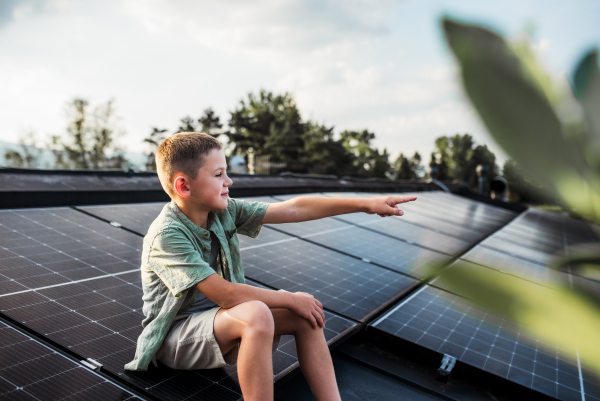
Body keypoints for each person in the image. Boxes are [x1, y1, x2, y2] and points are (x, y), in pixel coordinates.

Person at [124, 132, 416, 401]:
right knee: (257, 312)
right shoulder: (167, 234)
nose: (229, 181)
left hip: (218, 323)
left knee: (305, 315)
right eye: (219, 174)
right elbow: (225, 294)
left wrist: (365, 204)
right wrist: (290, 297)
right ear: (183, 185)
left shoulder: (222, 212)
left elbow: (293, 208)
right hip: (175, 340)